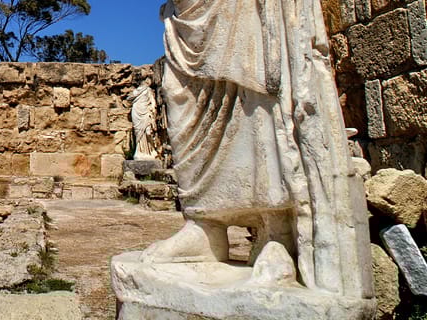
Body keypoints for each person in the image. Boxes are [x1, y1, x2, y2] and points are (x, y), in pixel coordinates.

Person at [143, 0, 372, 297]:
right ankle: (204, 224)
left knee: (255, 81)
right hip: (187, 11)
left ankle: (278, 234)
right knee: (179, 91)